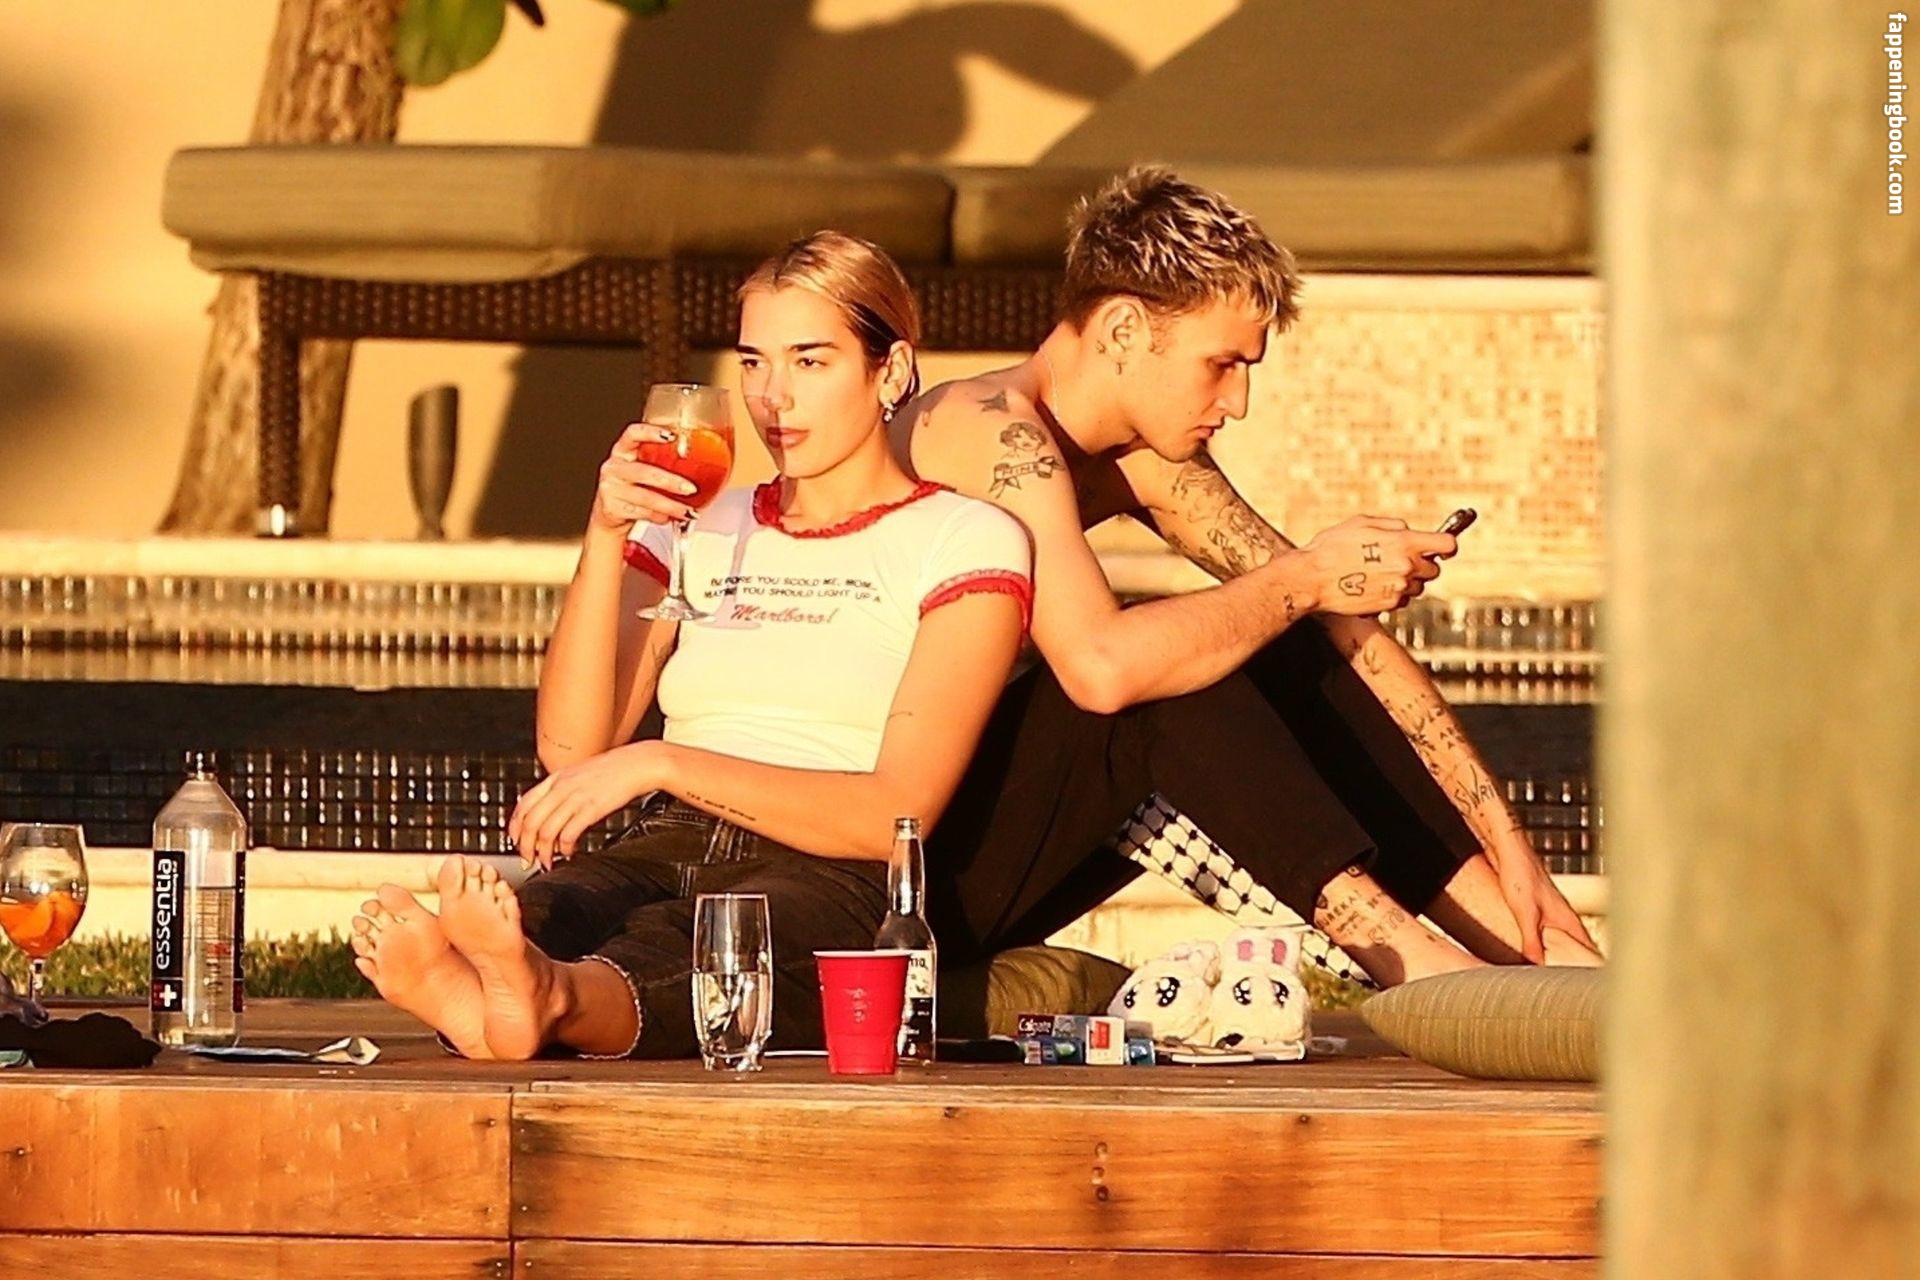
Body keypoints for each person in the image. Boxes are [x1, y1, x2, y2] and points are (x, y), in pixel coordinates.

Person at [890, 166, 1602, 987]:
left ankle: (1533, 950)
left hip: (980, 845)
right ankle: (1428, 974)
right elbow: (1101, 667)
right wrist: (1309, 575)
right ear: (1122, 329)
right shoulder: (985, 430)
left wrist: (1512, 851)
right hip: (892, 881)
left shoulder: (1140, 462)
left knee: (1281, 642)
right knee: (1173, 673)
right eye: (1220, 363)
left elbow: (1347, 639)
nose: (1238, 401)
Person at [347, 232, 1033, 1059]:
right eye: (753, 363)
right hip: (669, 837)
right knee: (562, 907)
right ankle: (500, 990)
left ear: (889, 372)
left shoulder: (963, 538)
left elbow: (893, 817)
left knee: (700, 946)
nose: (773, 397)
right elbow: (573, 748)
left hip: (828, 860)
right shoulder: (700, 522)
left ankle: (540, 997)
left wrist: (663, 762)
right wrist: (607, 532)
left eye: (810, 362)